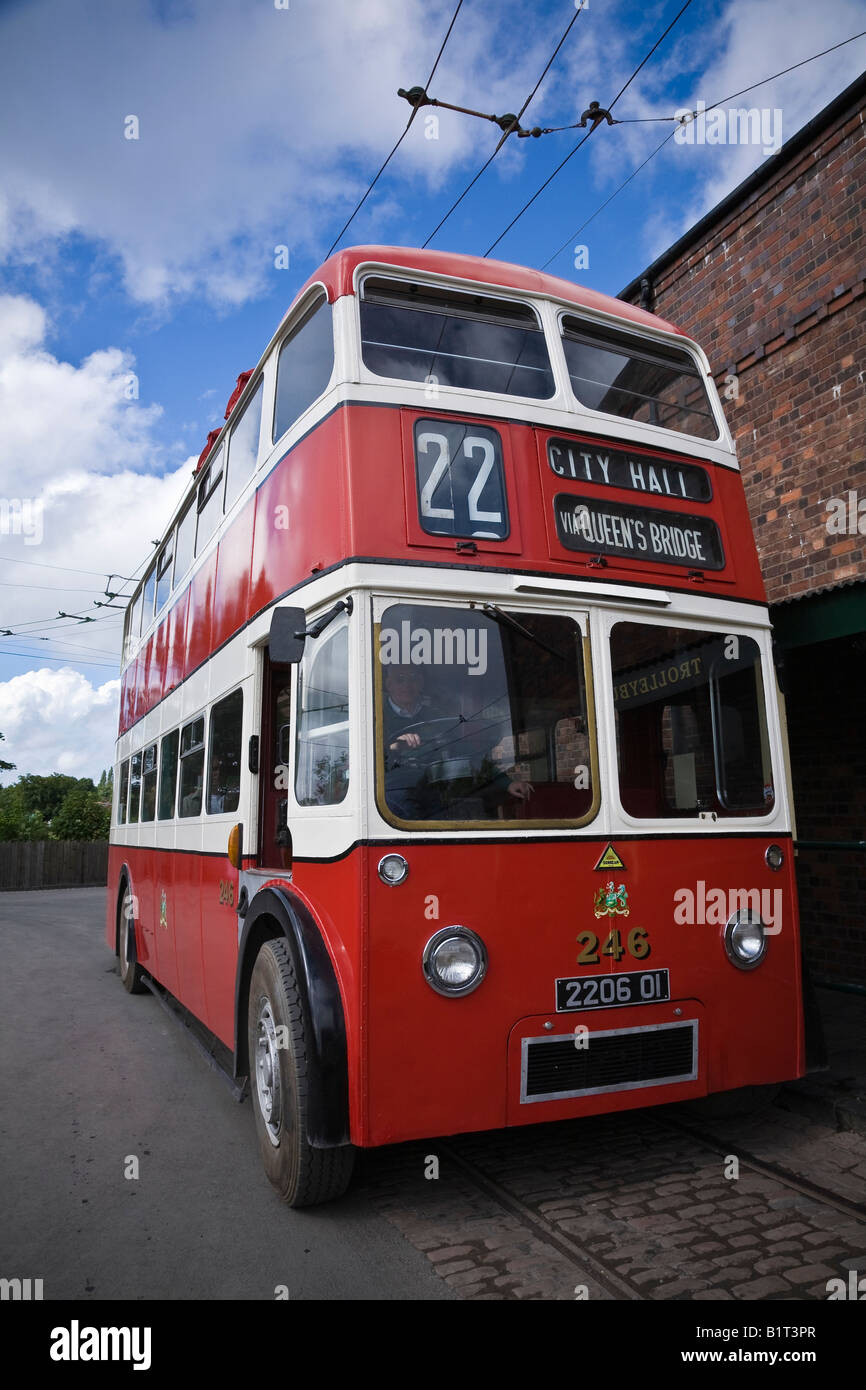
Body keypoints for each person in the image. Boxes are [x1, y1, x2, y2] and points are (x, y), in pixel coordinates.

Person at [381, 664, 533, 818]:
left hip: (432, 790)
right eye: (400, 679)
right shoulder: (376, 713)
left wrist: (507, 783)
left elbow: (466, 752)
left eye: (413, 678)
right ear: (389, 684)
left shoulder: (435, 716)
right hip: (391, 792)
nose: (407, 685)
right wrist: (393, 747)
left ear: (421, 683)